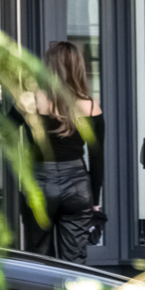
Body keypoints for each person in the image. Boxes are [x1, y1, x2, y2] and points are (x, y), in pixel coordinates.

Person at [31, 39, 106, 264]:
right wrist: (95, 202)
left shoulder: (32, 100)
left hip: (41, 183)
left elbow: (4, 127)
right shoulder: (90, 106)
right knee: (74, 261)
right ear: (77, 68)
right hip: (77, 186)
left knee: (39, 257)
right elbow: (97, 159)